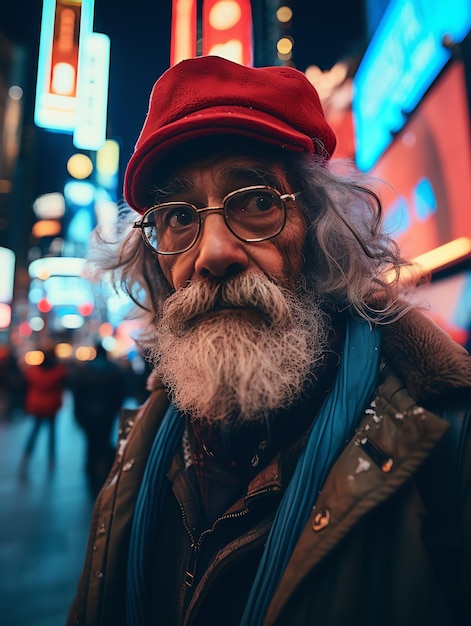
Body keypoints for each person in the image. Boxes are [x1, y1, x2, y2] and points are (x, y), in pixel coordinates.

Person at [68, 56, 471, 626]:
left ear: (321, 232)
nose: (212, 253)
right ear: (158, 264)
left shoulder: (446, 440)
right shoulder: (143, 445)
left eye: (257, 202)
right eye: (179, 217)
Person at [71, 342, 126, 495]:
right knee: (104, 441)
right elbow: (120, 394)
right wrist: (116, 410)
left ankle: (91, 474)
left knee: (90, 444)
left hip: (88, 415)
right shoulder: (113, 370)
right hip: (107, 414)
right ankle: (105, 473)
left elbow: (77, 394)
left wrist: (77, 414)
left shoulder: (85, 371)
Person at [20, 343, 67, 471]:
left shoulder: (33, 371)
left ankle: (27, 454)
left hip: (37, 405)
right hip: (52, 405)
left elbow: (26, 384)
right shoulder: (59, 371)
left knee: (34, 431)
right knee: (52, 433)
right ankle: (51, 457)